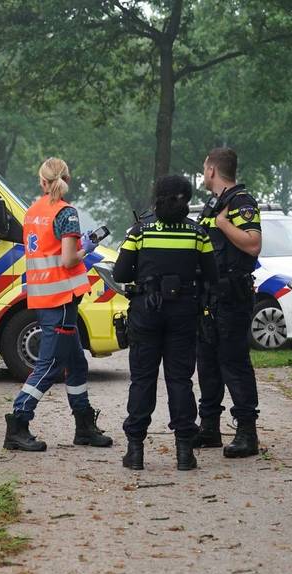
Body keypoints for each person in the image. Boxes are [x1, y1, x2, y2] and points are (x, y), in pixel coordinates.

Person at [4, 158, 113, 452]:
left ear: (42, 182)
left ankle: (84, 426)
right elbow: (68, 260)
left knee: (77, 363)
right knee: (50, 364)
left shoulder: (32, 212)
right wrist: (86, 248)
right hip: (63, 299)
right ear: (67, 179)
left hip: (42, 296)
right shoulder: (67, 214)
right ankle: (18, 421)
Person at [113, 175, 218, 471]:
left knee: (142, 380)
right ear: (186, 199)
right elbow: (212, 275)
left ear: (157, 198)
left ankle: (135, 451)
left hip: (146, 311)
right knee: (180, 380)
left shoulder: (140, 232)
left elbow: (121, 273)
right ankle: (185, 452)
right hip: (184, 312)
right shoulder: (197, 234)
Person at [193, 147, 263, 458]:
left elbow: (253, 244)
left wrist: (223, 224)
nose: (203, 173)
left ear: (212, 170)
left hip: (232, 295)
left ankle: (247, 433)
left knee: (233, 363)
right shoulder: (213, 205)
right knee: (207, 363)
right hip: (208, 296)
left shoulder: (240, 202)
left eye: (204, 168)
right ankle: (209, 428)